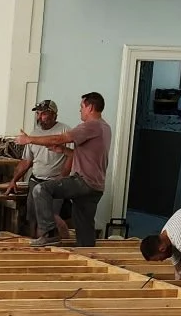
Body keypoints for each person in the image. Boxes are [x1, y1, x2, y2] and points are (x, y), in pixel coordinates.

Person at [13, 92, 112, 249]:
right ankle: (87, 255)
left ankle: (49, 235)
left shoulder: (90, 126)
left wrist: (29, 139)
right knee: (84, 226)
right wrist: (63, 151)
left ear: (90, 107)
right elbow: (82, 155)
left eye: (82, 107)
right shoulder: (105, 127)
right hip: (96, 186)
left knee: (40, 190)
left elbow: (57, 138)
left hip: (83, 181)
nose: (80, 110)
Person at [18, 100, 71, 240]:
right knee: (33, 216)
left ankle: (50, 243)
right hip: (36, 180)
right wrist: (13, 180)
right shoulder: (33, 134)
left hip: (54, 183)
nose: (40, 117)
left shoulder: (64, 131)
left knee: (51, 217)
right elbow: (26, 161)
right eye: (38, 113)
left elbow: (72, 155)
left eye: (44, 113)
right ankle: (34, 243)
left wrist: (63, 176)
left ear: (54, 115)